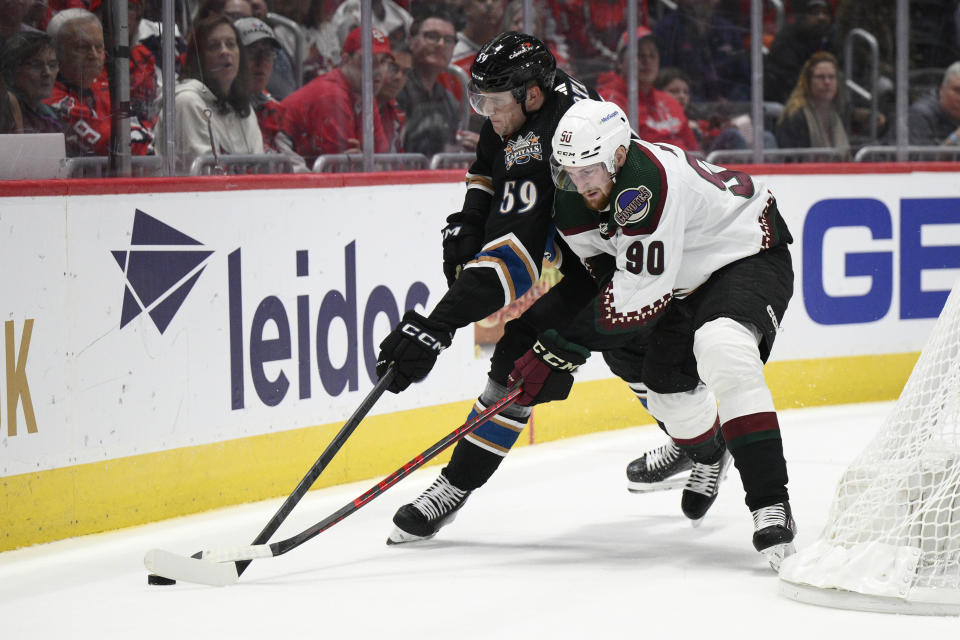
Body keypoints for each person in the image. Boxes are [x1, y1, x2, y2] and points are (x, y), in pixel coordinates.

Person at [376, 32, 733, 545]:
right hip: (596, 260)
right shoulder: (525, 105)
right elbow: (485, 170)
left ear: (533, 96)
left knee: (567, 358)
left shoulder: (551, 137)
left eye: (495, 104)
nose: (488, 114)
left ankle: (705, 444)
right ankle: (453, 489)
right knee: (601, 362)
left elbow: (517, 263)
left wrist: (436, 326)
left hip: (632, 266)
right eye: (481, 101)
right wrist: (470, 221)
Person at [512, 98, 797, 568]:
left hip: (744, 252)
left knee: (722, 348)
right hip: (678, 278)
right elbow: (611, 277)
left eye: (590, 170)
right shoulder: (572, 193)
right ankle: (709, 452)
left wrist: (559, 350)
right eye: (569, 171)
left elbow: (637, 295)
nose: (579, 184)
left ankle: (770, 503)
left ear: (619, 157)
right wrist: (559, 347)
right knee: (668, 395)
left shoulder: (648, 182)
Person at [155, 14, 263, 171]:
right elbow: (206, 177)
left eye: (231, 44)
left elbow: (259, 168)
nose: (225, 52)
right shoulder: (187, 102)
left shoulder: (242, 105)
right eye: (214, 46)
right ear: (198, 58)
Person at [280, 26, 392, 164]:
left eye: (383, 62)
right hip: (276, 152)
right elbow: (341, 170)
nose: (378, 70)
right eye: (369, 60)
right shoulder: (331, 94)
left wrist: (363, 161)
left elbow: (384, 160)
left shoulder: (365, 93)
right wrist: (363, 163)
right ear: (345, 59)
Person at [596, 26, 699, 151]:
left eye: (652, 55)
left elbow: (695, 150)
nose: (647, 61)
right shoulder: (609, 101)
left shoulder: (669, 102)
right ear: (620, 62)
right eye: (640, 55)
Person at [234, 16, 306, 171]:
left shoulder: (272, 107)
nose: (262, 62)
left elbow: (294, 164)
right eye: (253, 52)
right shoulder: (220, 107)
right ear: (234, 56)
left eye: (268, 53)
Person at [44, 8, 118, 156]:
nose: (94, 55)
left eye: (99, 47)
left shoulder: (107, 88)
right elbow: (110, 143)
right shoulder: (49, 96)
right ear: (56, 52)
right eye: (82, 47)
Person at [396, 8, 468, 156]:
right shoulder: (395, 87)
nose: (441, 44)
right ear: (411, 40)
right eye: (432, 36)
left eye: (448, 40)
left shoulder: (450, 102)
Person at [653, 0, 750, 103]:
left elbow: (744, 81)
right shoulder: (667, 29)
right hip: (685, 108)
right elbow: (664, 79)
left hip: (731, 111)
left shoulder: (728, 30)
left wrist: (733, 103)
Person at [775, 51, 850, 160]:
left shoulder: (840, 113)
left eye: (832, 77)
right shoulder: (795, 116)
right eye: (820, 77)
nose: (827, 82)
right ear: (808, 82)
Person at [763, 0, 836, 106]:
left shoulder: (830, 40)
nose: (821, 17)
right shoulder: (787, 41)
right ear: (801, 17)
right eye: (814, 13)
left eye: (825, 13)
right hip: (789, 105)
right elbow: (788, 82)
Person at [1, 30, 61, 134]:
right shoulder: (5, 111)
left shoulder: (53, 118)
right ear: (12, 70)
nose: (47, 73)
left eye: (52, 65)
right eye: (36, 65)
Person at [908, 62, 960, 147]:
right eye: (957, 90)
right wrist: (955, 139)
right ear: (942, 90)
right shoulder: (920, 114)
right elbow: (917, 157)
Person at [450, 0, 505, 73]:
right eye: (481, 0)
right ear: (466, 8)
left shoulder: (508, 50)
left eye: (495, 0)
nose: (489, 4)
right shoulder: (450, 53)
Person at [378, 43, 410, 153]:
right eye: (393, 68)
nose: (399, 77)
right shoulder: (354, 106)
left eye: (405, 72)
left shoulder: (397, 113)